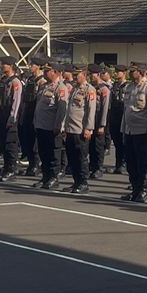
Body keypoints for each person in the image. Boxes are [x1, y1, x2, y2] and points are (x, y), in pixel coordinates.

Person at [120, 62, 147, 203]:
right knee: (131, 163)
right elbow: (126, 110)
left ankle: (142, 190)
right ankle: (135, 189)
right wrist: (123, 129)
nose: (131, 73)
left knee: (143, 163)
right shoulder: (129, 87)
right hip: (130, 131)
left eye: (134, 71)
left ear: (142, 72)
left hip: (143, 132)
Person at [32, 61, 70, 190]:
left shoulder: (61, 88)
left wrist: (59, 126)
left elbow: (62, 109)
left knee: (53, 153)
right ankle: (45, 177)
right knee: (43, 153)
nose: (45, 72)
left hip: (52, 127)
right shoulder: (45, 86)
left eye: (47, 71)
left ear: (55, 72)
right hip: (41, 125)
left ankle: (53, 178)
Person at [63, 65, 98, 193]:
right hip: (71, 128)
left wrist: (89, 128)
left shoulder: (89, 90)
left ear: (84, 75)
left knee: (81, 157)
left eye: (77, 74)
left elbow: (91, 110)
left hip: (80, 129)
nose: (74, 76)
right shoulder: (74, 89)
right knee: (72, 157)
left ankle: (83, 183)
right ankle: (76, 181)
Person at [0, 59, 25, 180]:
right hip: (1, 113)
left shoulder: (15, 81)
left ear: (11, 66)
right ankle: (6, 168)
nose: (2, 66)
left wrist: (12, 117)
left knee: (10, 143)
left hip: (9, 115)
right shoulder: (3, 80)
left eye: (4, 64)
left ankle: (11, 169)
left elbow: (16, 101)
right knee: (3, 143)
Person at [20, 58, 44, 179]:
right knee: (27, 140)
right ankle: (30, 164)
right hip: (27, 112)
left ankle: (36, 165)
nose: (30, 67)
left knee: (35, 141)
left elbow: (40, 100)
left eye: (32, 65)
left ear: (38, 66)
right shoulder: (30, 80)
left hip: (35, 112)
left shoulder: (42, 81)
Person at [88, 65, 112, 178]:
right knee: (91, 145)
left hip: (99, 118)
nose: (90, 76)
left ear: (97, 74)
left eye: (91, 74)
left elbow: (105, 107)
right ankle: (92, 166)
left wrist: (102, 124)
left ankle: (98, 168)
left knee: (98, 145)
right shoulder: (91, 87)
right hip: (91, 118)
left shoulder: (104, 89)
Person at [109, 66, 129, 176]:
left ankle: (124, 163)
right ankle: (118, 164)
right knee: (117, 142)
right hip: (114, 116)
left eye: (119, 72)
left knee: (123, 142)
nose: (117, 73)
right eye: (116, 71)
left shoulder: (128, 86)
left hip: (123, 115)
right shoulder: (114, 85)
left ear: (124, 73)